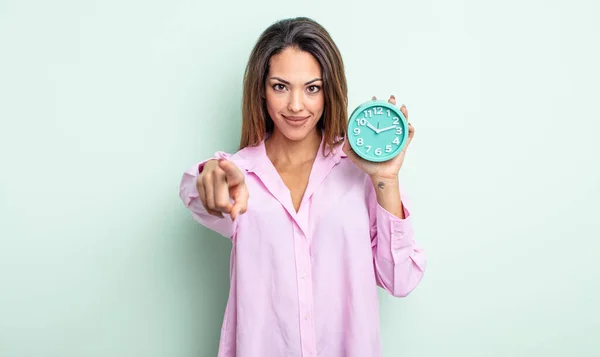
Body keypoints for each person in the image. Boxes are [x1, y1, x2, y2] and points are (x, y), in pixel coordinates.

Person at [179, 16, 426, 357]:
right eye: (280, 86)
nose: (296, 106)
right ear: (261, 91)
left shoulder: (358, 171)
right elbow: (199, 190)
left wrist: (385, 180)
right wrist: (213, 178)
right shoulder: (240, 173)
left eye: (312, 88)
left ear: (329, 91)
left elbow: (400, 280)